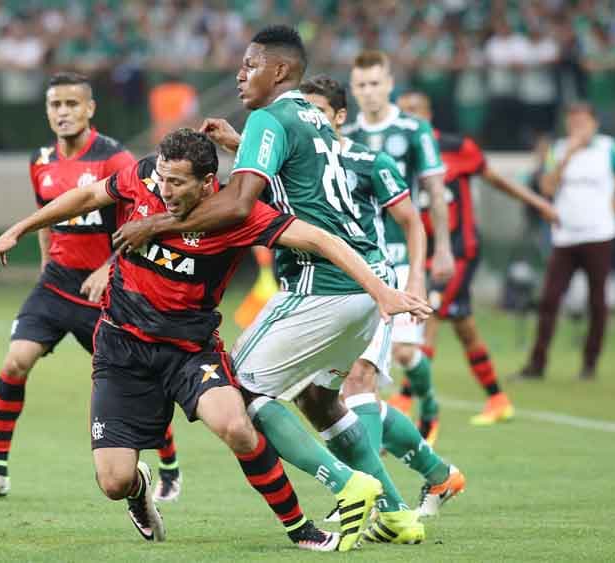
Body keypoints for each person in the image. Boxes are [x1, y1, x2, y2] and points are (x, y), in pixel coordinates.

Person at [0, 128, 428, 551]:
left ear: (208, 181)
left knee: (236, 425)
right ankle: (139, 491)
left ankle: (301, 529)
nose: (165, 190)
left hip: (191, 351)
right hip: (121, 347)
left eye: (177, 183)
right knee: (113, 482)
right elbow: (90, 194)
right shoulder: (144, 177)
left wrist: (380, 290)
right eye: (162, 179)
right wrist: (18, 230)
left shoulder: (239, 213)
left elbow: (321, 239)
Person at [112, 26, 433, 547]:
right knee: (320, 401)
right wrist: (240, 145)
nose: (240, 75)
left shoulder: (269, 116)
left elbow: (240, 204)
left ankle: (350, 485)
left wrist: (155, 225)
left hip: (320, 283)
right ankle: (397, 514)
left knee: (238, 390)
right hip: (364, 278)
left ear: (279, 71)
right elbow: (301, 178)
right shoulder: (311, 116)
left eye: (250, 65)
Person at [0, 72, 182, 502]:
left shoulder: (115, 160)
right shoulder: (40, 160)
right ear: (46, 111)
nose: (63, 112)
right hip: (55, 283)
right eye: (55, 105)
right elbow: (46, 215)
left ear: (90, 108)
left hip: (105, 291)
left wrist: (109, 266)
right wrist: (45, 265)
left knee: (133, 381)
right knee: (15, 362)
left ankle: (169, 466)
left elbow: (144, 220)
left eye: (71, 104)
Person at [299, 75, 466, 527]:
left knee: (359, 380)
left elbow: (414, 218)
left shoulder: (368, 160)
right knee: (320, 394)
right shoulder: (298, 161)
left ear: (338, 117)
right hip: (317, 287)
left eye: (315, 111)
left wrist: (417, 275)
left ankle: (367, 496)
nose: (306, 120)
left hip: (369, 280)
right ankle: (437, 474)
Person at [386, 91, 558, 425]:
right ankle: (497, 398)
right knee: (465, 328)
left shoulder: (456, 147)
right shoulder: (397, 156)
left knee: (426, 316)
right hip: (421, 254)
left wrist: (538, 203)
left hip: (458, 252)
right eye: (404, 112)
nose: (410, 117)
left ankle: (406, 401)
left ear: (429, 113)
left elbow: (496, 180)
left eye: (415, 110)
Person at [341, 50, 456, 435]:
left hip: (405, 256)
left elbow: (435, 192)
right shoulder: (348, 137)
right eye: (361, 85)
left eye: (375, 83)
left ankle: (430, 404)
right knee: (360, 366)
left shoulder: (413, 130)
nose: (369, 92)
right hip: (361, 262)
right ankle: (373, 439)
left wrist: (442, 247)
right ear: (353, 90)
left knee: (405, 352)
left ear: (389, 84)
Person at [514, 102, 615, 380]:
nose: (578, 127)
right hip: (565, 235)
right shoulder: (558, 150)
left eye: (583, 121)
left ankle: (589, 364)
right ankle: (537, 363)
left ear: (595, 123)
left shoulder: (609, 149)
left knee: (597, 301)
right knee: (550, 299)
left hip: (598, 233)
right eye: (573, 122)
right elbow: (546, 187)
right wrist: (568, 155)